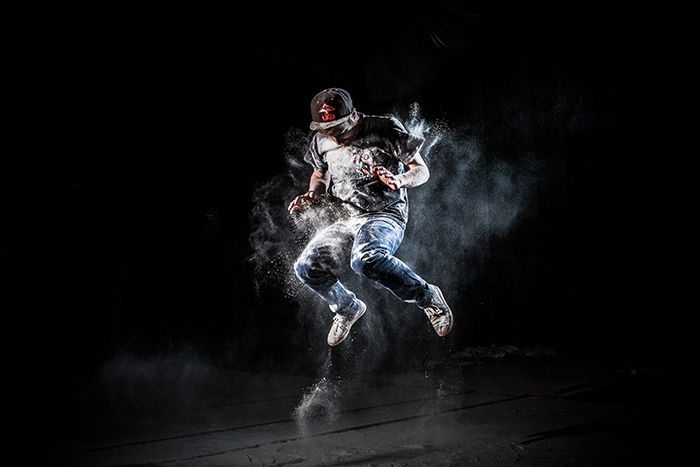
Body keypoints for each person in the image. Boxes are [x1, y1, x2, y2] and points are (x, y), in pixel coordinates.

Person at [288, 88, 453, 346]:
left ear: (353, 115)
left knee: (365, 260)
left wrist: (400, 180)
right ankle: (347, 308)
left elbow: (421, 170)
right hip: (346, 217)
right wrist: (312, 195)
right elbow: (320, 175)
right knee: (305, 267)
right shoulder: (321, 141)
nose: (334, 135)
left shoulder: (385, 128)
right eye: (326, 129)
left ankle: (428, 296)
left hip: (384, 213)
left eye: (339, 128)